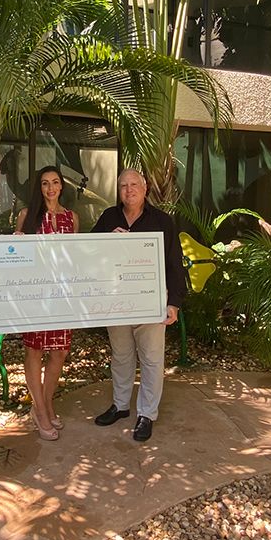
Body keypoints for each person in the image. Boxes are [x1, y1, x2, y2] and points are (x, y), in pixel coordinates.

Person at [92, 169, 186, 442]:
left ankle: (147, 413)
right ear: (118, 190)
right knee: (121, 356)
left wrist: (174, 303)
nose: (129, 190)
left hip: (151, 305)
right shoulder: (108, 218)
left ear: (144, 188)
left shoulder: (163, 221)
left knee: (152, 360)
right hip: (117, 303)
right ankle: (120, 406)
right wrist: (107, 240)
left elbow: (174, 265)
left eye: (134, 185)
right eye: (123, 186)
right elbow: (88, 251)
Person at [14, 166, 79, 441]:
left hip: (62, 295)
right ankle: (40, 411)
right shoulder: (27, 215)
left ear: (61, 186)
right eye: (44, 183)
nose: (50, 188)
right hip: (35, 295)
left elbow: (76, 258)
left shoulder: (71, 218)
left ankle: (47, 402)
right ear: (39, 188)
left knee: (59, 352)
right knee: (34, 350)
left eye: (55, 183)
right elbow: (16, 256)